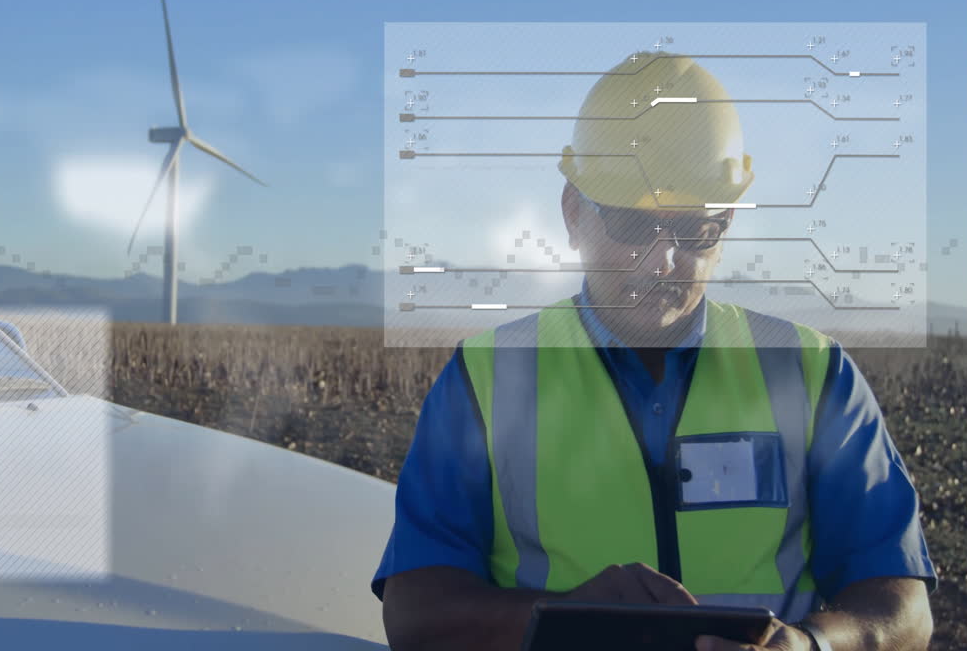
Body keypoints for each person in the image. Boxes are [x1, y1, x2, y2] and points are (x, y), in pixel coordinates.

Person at [373, 53, 936, 651]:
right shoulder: (485, 379)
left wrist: (808, 645)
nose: (663, 263)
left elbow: (902, 610)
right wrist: (567, 616)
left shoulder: (813, 373)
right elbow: (416, 613)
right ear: (573, 214)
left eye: (695, 231)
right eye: (633, 226)